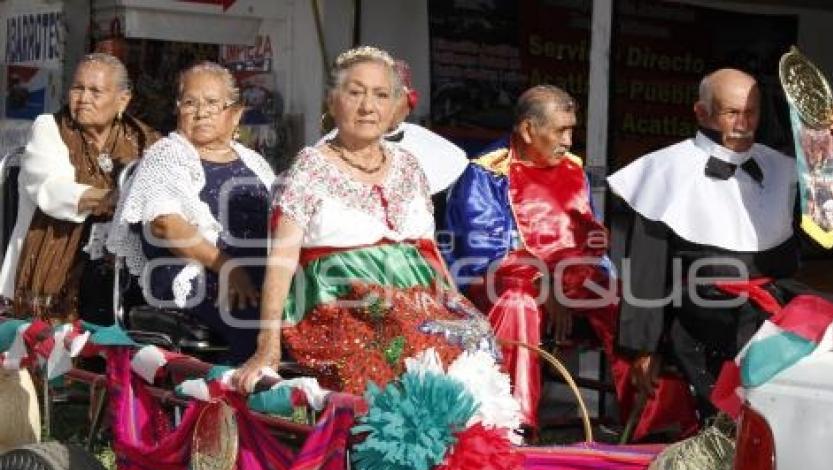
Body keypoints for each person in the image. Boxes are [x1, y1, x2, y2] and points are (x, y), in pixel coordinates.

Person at [233, 46, 497, 394]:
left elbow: (428, 251)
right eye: (355, 92)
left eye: (381, 95)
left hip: (415, 303)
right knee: (405, 347)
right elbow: (281, 262)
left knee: (477, 342)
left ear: (393, 108)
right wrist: (268, 344)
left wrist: (456, 306)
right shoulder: (310, 167)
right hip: (340, 306)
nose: (368, 106)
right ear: (332, 101)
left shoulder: (408, 166)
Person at [443, 85, 695, 435]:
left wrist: (579, 285)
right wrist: (543, 283)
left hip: (566, 279)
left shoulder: (572, 169)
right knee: (519, 304)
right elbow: (484, 251)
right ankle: (514, 423)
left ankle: (657, 423)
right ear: (529, 130)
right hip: (502, 282)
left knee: (632, 305)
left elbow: (589, 242)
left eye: (571, 129)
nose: (568, 140)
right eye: (560, 130)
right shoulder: (486, 173)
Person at [608, 68, 833, 419]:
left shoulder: (779, 166)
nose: (744, 123)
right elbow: (647, 268)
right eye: (732, 113)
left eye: (752, 112)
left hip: (773, 300)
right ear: (702, 113)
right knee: (745, 367)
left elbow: (824, 228)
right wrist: (642, 348)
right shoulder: (665, 171)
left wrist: (826, 155)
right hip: (705, 312)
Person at [108, 62, 274, 363]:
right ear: (178, 109)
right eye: (190, 102)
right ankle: (231, 400)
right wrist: (229, 269)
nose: (202, 112)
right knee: (253, 318)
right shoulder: (167, 155)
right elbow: (166, 226)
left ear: (235, 113)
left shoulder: (255, 163)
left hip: (256, 273)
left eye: (213, 103)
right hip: (196, 274)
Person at [0, 53, 159, 323]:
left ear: (123, 99)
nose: (83, 98)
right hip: (54, 264)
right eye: (78, 88)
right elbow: (52, 189)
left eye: (95, 91)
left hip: (118, 268)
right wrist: (116, 199)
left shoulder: (145, 140)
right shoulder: (49, 127)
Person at [319, 59, 468, 225]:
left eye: (384, 95)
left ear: (408, 102)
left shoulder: (441, 153)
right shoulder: (321, 156)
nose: (372, 106)